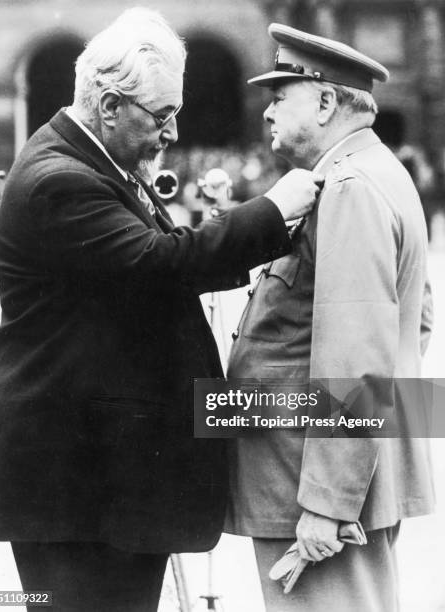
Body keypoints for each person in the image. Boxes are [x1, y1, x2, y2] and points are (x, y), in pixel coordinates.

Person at [0, 10, 321, 612]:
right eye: (162, 116)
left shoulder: (89, 164)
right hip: (78, 485)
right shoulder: (59, 181)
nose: (171, 134)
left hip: (95, 477)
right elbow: (160, 264)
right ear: (110, 105)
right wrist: (272, 211)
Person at [226, 23, 434, 612]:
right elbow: (413, 325)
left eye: (278, 96)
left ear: (324, 101)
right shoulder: (378, 173)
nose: (266, 112)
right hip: (338, 467)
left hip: (314, 487)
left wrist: (328, 502)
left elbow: (357, 353)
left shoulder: (348, 187)